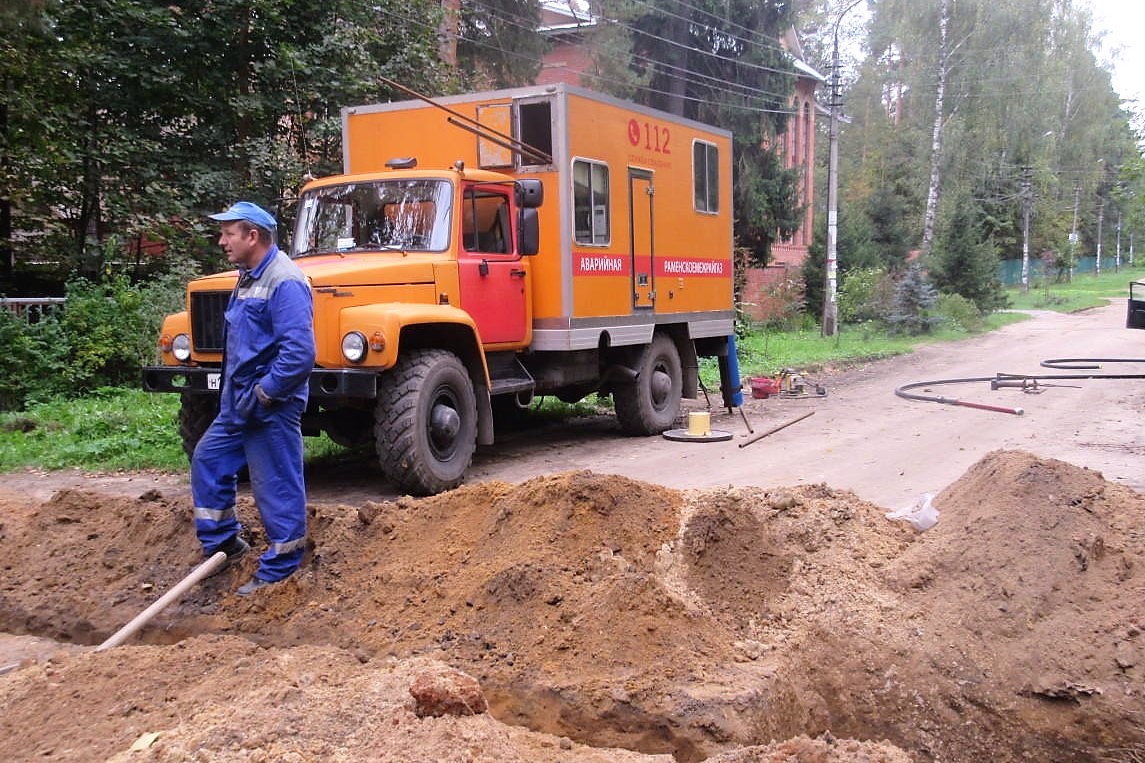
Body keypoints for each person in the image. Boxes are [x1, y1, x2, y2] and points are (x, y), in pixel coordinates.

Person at [191, 201, 316, 596]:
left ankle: (281, 567)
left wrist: (265, 394)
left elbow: (299, 354)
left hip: (270, 406)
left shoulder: (285, 281)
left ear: (252, 236)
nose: (221, 240)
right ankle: (224, 545)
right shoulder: (247, 277)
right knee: (208, 460)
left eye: (228, 233)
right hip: (239, 403)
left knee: (275, 485)